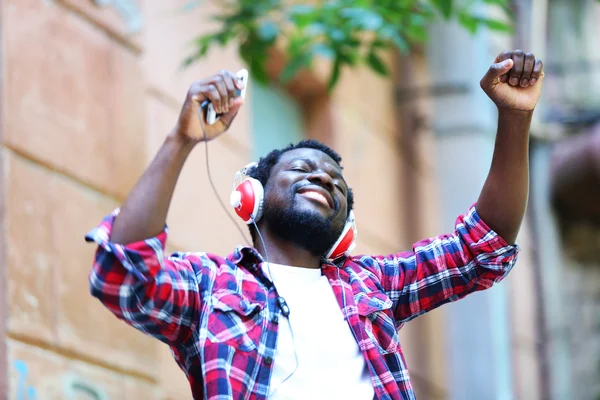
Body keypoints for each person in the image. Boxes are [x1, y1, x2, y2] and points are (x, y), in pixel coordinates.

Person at [85, 49, 544, 399]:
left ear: (346, 228)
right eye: (302, 168)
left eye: (336, 181)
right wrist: (182, 139)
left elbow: (480, 248)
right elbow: (124, 275)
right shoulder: (211, 285)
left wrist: (516, 117)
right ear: (252, 197)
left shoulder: (373, 285)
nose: (323, 176)